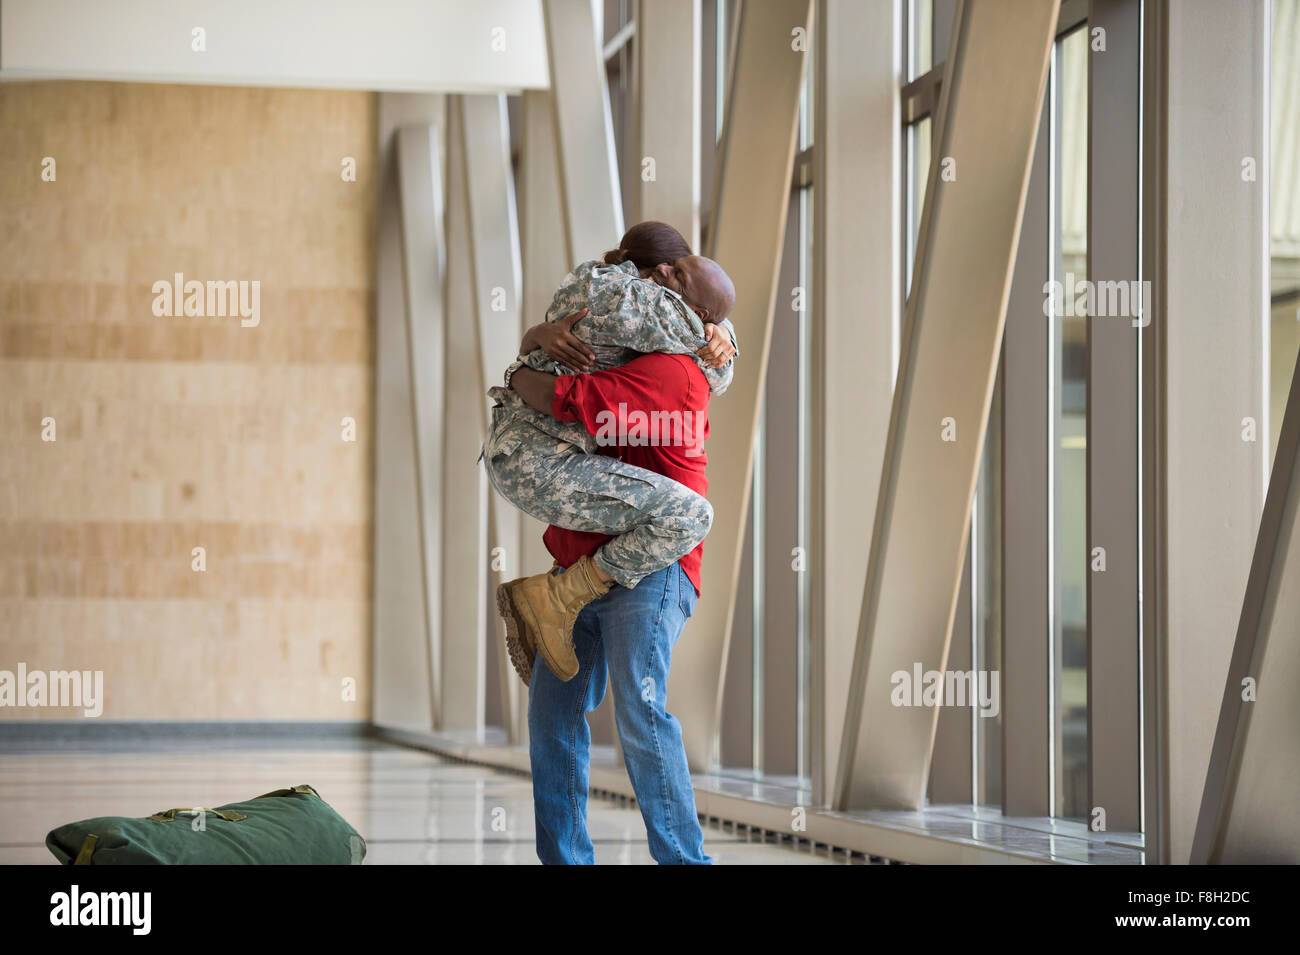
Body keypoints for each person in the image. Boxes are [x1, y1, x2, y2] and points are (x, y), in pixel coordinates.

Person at [483, 222, 736, 686]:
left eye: (676, 275)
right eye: (671, 272)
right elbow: (713, 365)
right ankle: (555, 597)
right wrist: (724, 336)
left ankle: (556, 597)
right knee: (691, 516)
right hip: (536, 459)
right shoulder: (629, 299)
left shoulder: (599, 282)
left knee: (559, 702)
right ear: (653, 269)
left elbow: (703, 343)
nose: (667, 276)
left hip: (529, 451)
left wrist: (526, 351)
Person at [507, 349, 716, 864]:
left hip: (652, 568)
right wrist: (536, 344)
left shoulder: (671, 369)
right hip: (573, 572)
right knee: (551, 718)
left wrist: (521, 376)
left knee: (640, 709)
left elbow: (564, 397)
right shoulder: (593, 351)